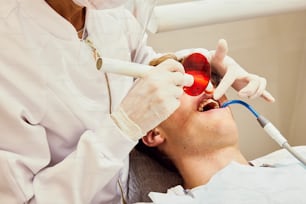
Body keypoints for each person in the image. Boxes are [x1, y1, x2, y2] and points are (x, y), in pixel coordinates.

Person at [0, 0, 274, 203]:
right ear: (152, 133)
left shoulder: (112, 11)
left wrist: (199, 62)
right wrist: (120, 130)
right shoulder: (10, 52)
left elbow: (137, 61)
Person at [134, 63, 306, 203]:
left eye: (212, 81)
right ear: (153, 133)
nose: (209, 88)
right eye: (182, 84)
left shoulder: (296, 158)